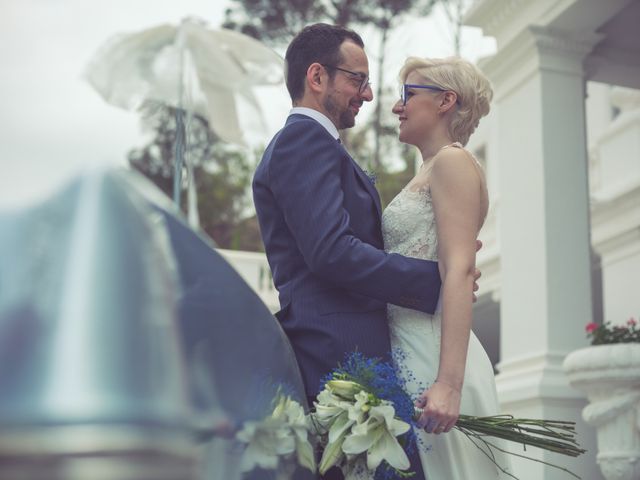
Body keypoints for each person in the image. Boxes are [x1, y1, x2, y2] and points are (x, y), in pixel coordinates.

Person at [252, 24, 482, 480]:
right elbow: (332, 251)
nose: (370, 94)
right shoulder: (303, 140)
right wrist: (433, 279)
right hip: (338, 350)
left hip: (369, 353)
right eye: (357, 79)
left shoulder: (321, 146)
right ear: (317, 77)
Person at [384, 56, 510, 478]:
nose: (396, 107)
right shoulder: (430, 168)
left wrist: (449, 385)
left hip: (433, 357)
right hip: (408, 348)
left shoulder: (452, 163)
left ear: (445, 101)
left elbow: (458, 269)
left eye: (408, 95)